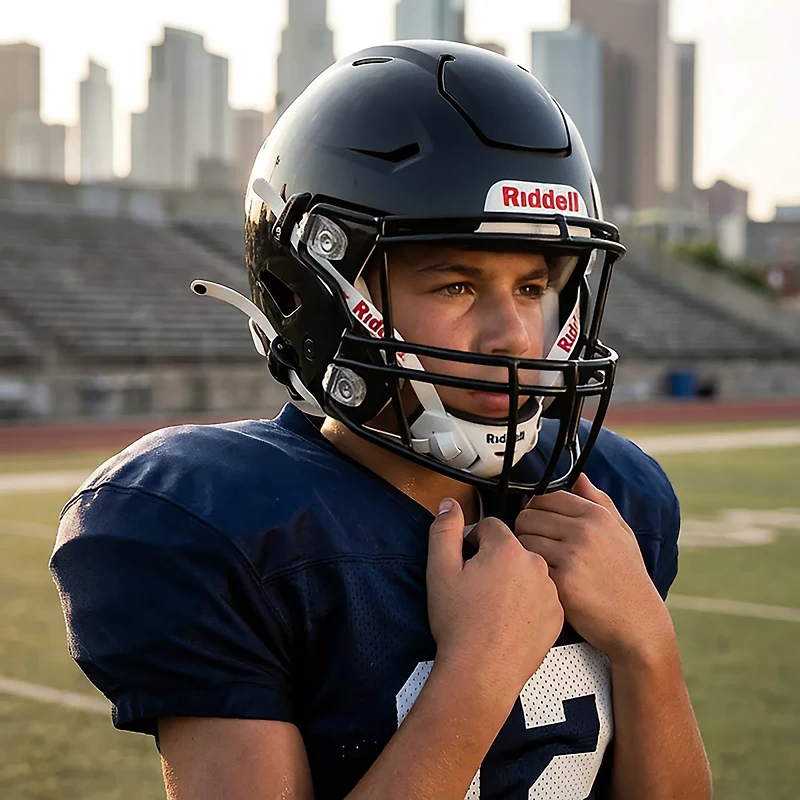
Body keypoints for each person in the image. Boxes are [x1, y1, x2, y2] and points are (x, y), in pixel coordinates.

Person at [51, 41, 711, 800]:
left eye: (533, 288)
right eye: (457, 284)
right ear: (321, 288)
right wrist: (478, 674)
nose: (513, 336)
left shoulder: (607, 500)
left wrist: (648, 649)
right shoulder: (226, 524)